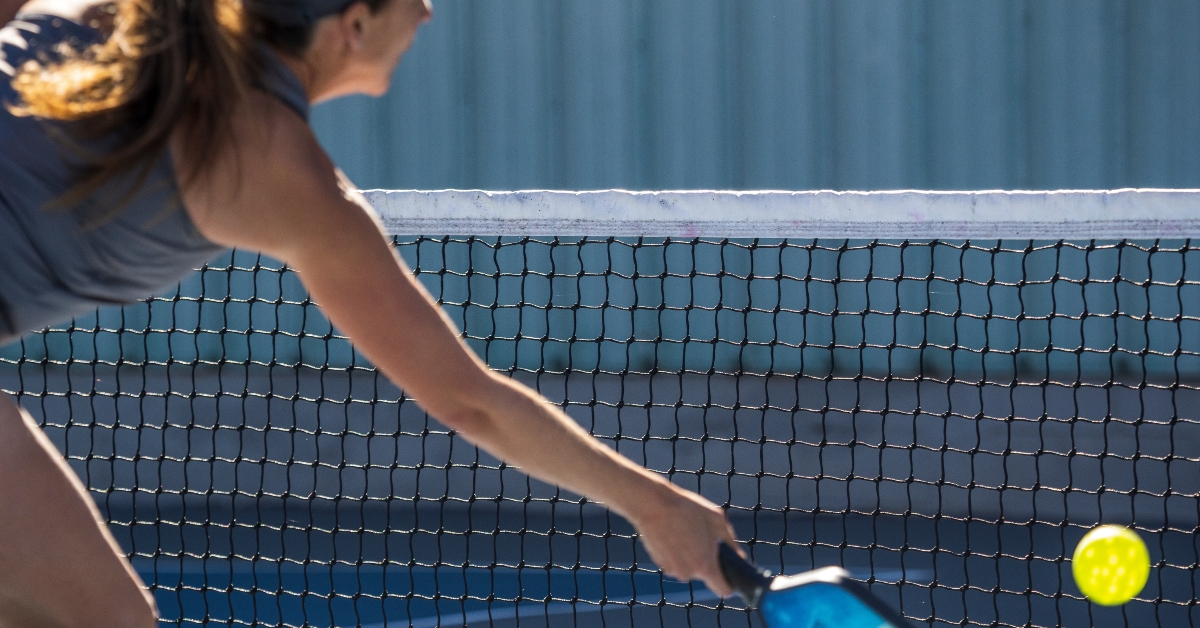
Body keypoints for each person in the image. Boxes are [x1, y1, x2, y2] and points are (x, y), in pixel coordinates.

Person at [0, 0, 739, 625]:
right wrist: (655, 504)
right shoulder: (276, 169)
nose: (425, 10)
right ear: (352, 24)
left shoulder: (114, 15)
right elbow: (468, 401)